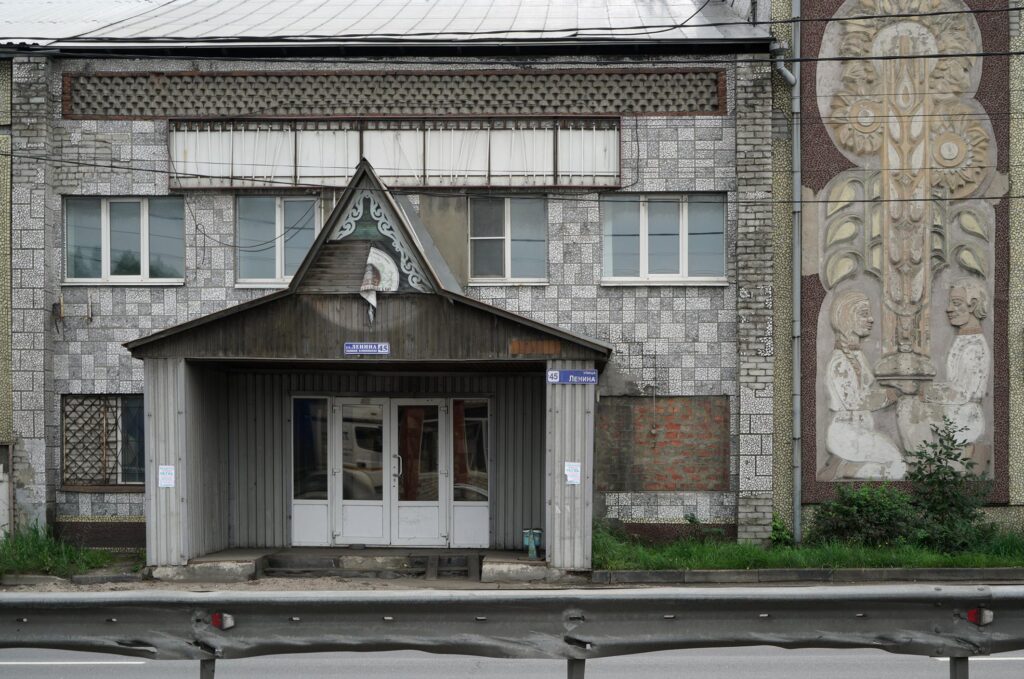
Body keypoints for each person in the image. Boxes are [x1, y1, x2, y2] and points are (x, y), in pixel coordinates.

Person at [898, 278, 990, 470]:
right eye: (950, 303)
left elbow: (965, 392)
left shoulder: (975, 345)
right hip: (955, 409)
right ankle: (928, 463)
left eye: (956, 303)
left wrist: (926, 392)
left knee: (909, 407)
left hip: (966, 415)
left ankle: (925, 465)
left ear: (972, 305)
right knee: (909, 404)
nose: (949, 309)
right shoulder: (965, 338)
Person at [824, 289, 906, 479]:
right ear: (846, 317)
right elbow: (854, 402)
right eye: (863, 314)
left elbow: (867, 387)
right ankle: (842, 469)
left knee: (897, 463)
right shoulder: (840, 361)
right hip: (845, 434)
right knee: (898, 468)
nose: (871, 319)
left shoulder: (858, 355)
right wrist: (891, 395)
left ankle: (848, 465)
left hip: (862, 431)